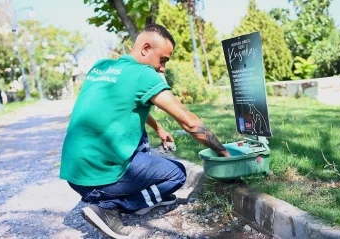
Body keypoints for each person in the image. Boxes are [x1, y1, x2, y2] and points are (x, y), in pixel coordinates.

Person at [60, 24, 230, 239]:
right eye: (163, 60)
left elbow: (124, 107)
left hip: (74, 174)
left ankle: (145, 193)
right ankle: (109, 209)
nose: (163, 68)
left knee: (140, 134)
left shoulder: (101, 67)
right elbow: (190, 123)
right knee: (177, 174)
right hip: (97, 181)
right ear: (146, 48)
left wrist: (158, 127)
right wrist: (225, 154)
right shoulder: (144, 75)